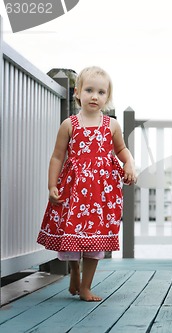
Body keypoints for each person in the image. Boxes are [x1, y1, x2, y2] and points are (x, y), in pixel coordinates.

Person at [37, 66, 136, 302]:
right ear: (77, 92)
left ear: (107, 97)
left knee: (95, 239)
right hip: (74, 191)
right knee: (72, 235)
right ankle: (74, 271)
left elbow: (121, 149)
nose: (95, 96)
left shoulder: (111, 125)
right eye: (89, 90)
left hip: (101, 193)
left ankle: (85, 286)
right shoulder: (69, 124)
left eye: (101, 92)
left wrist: (129, 163)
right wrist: (52, 185)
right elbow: (57, 157)